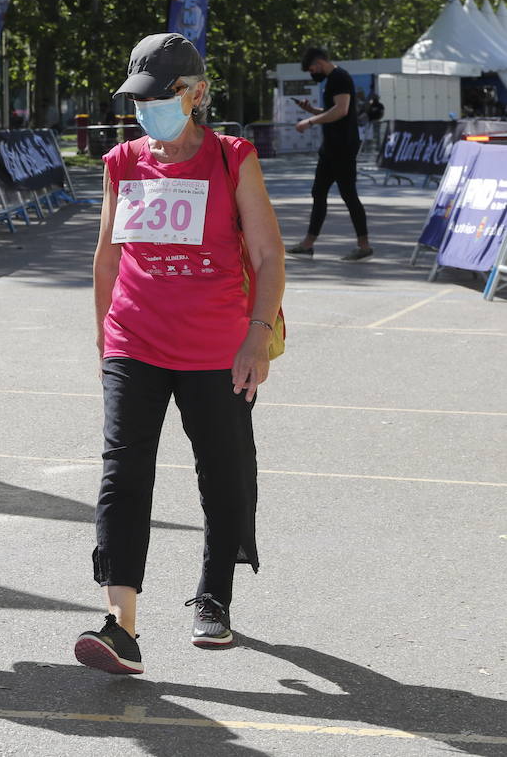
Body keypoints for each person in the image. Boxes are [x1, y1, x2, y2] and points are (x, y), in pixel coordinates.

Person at [75, 33, 285, 675]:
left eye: (161, 97)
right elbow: (108, 253)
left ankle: (214, 596)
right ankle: (121, 625)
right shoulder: (122, 161)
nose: (147, 111)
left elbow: (269, 254)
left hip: (219, 348)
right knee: (123, 474)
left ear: (194, 94)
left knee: (222, 472)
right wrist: (104, 336)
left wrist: (255, 334)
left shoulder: (231, 157)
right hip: (134, 342)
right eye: (139, 99)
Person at [288, 48, 373, 261]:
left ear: (319, 62)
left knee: (349, 195)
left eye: (311, 69)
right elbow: (332, 111)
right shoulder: (331, 80)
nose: (312, 73)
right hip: (331, 148)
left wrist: (310, 122)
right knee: (318, 192)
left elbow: (342, 110)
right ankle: (308, 244)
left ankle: (364, 246)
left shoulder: (339, 77)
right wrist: (313, 111)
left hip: (343, 147)